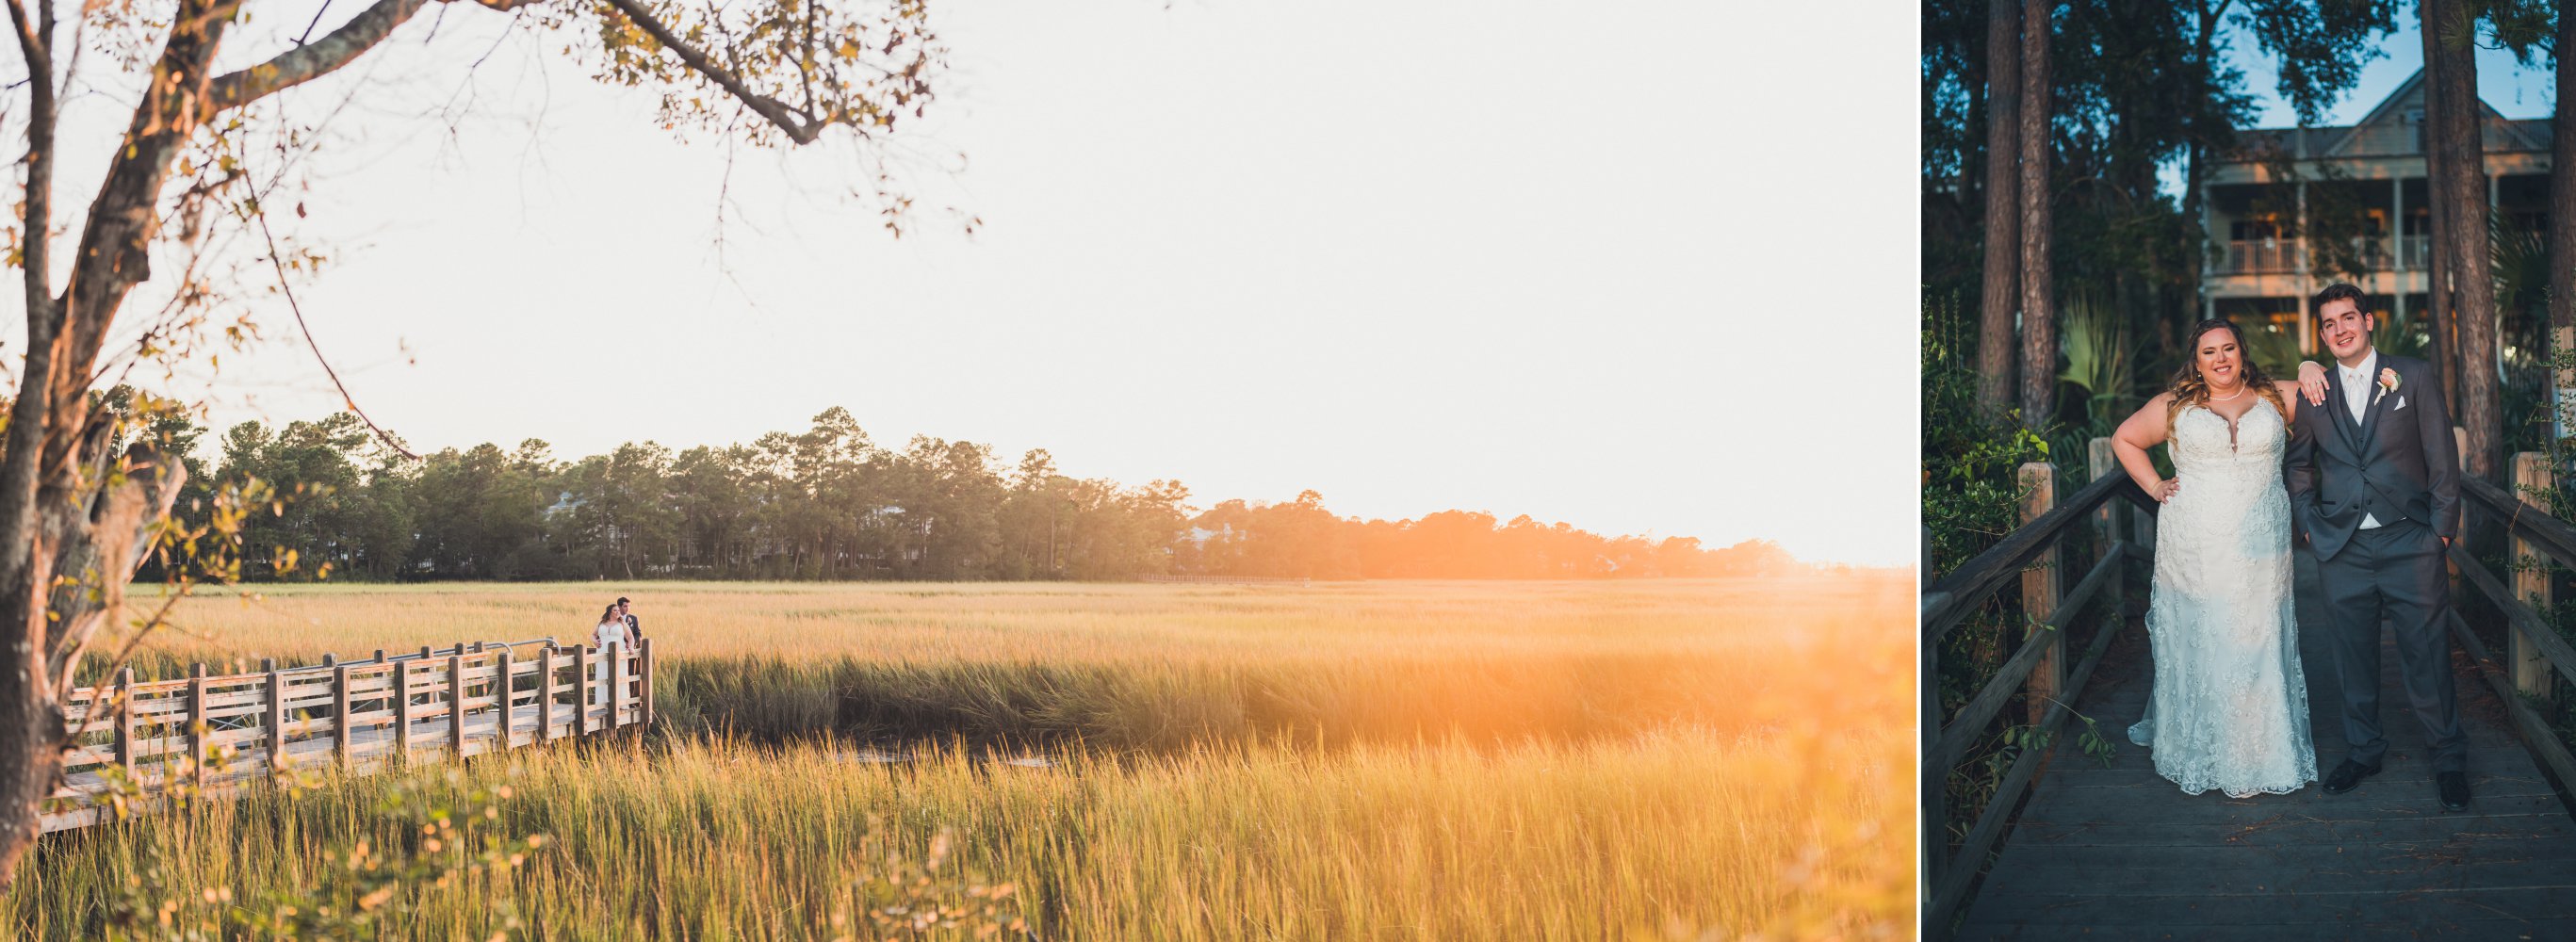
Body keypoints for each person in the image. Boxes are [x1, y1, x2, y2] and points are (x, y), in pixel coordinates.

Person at [2110, 316, 2321, 798]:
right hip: (2195, 543)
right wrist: (2155, 484)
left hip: (2263, 543)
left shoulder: (2273, 397)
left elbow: (2322, 385)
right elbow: (2124, 438)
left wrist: (2308, 362)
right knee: (2204, 635)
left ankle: (2263, 750)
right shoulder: (2175, 405)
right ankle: (2200, 748)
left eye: (2228, 348)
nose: (2221, 359)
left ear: (2242, 351)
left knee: (2259, 634)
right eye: (2209, 352)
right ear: (2196, 360)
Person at [2282, 282, 2470, 811]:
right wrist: (2307, 520)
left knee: (2428, 655)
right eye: (2328, 323)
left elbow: (2442, 456)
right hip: (2341, 546)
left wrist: (2441, 531)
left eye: (2348, 318)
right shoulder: (2313, 392)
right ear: (2321, 333)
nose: (2339, 329)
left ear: (2369, 321)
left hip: (2412, 539)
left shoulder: (2412, 375)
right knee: (2351, 656)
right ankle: (2364, 751)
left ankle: (2449, 758)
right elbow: (2297, 465)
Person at [592, 603, 634, 708]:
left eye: (618, 610)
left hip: (618, 652)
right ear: (609, 612)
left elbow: (630, 638)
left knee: (618, 675)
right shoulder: (602, 623)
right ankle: (603, 704)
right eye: (615, 610)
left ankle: (620, 703)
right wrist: (594, 641)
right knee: (603, 675)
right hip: (602, 652)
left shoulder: (622, 624)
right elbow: (593, 634)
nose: (618, 612)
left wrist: (631, 647)